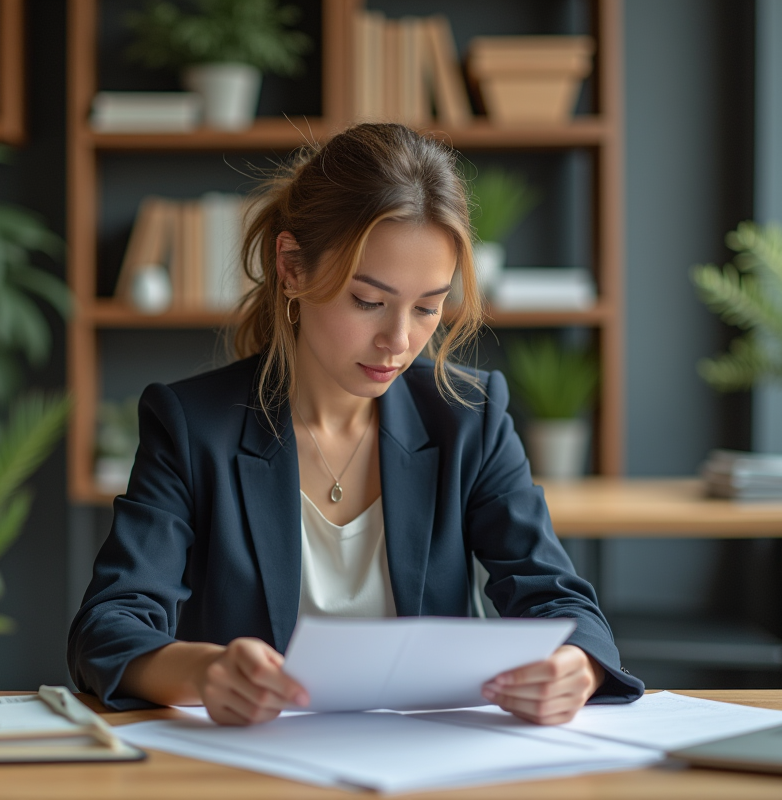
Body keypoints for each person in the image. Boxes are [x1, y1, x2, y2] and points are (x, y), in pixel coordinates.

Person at [68, 122, 643, 727]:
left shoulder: (468, 419)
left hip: (430, 765)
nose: (399, 341)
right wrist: (203, 673)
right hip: (255, 771)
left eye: (428, 307)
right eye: (368, 301)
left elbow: (558, 599)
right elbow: (108, 625)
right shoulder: (192, 425)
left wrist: (577, 665)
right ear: (291, 267)